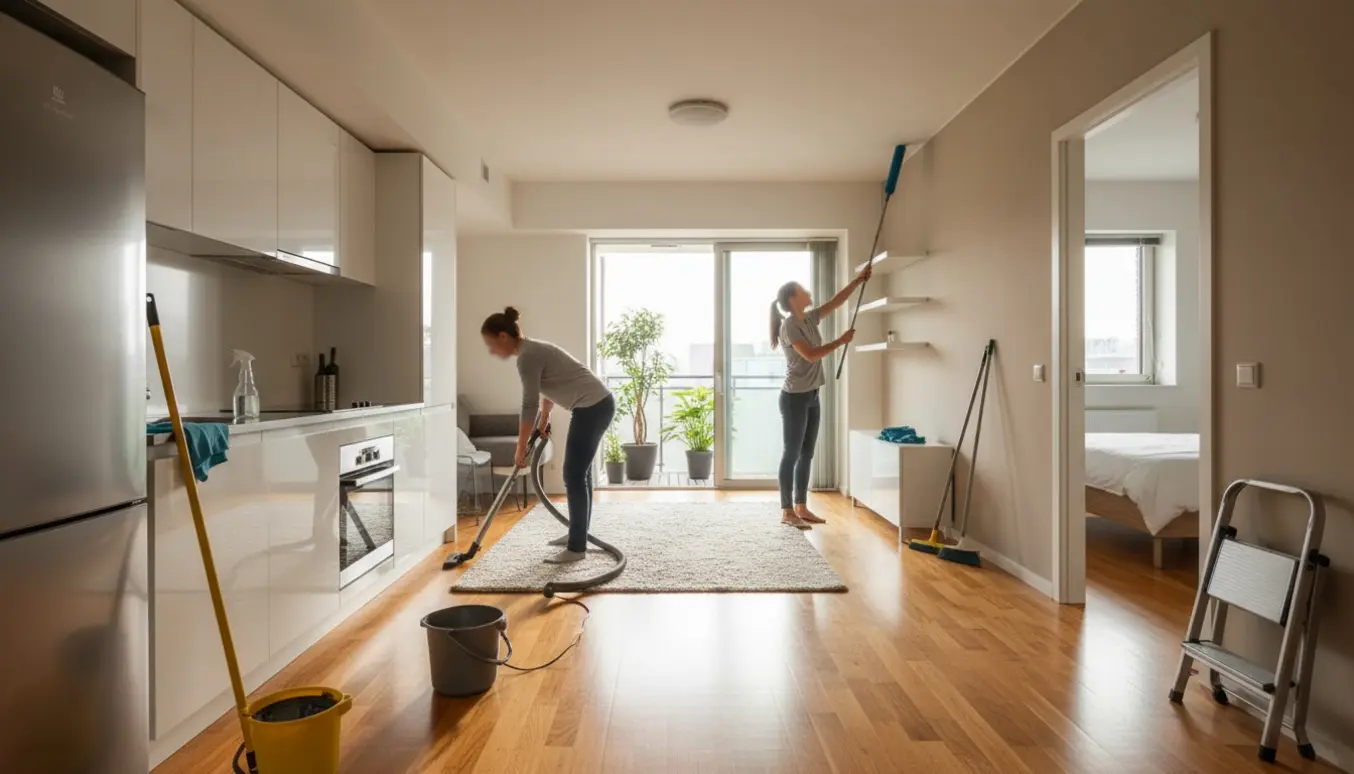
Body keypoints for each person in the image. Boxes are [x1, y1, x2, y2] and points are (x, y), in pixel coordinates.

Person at [481, 306, 616, 563]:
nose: (491, 351)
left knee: (572, 474)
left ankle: (577, 548)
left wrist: (520, 448)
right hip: (595, 404)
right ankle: (578, 535)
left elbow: (528, 404)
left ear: (503, 336)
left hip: (592, 407)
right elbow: (549, 390)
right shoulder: (532, 350)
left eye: (491, 344)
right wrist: (545, 419)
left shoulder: (527, 357)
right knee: (580, 473)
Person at [770, 264, 871, 529]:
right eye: (803, 290)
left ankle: (802, 507)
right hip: (794, 398)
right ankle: (786, 510)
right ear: (793, 299)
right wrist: (840, 341)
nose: (808, 291)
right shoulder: (790, 326)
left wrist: (858, 280)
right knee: (791, 453)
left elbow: (836, 302)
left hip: (813, 395)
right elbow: (811, 355)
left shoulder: (809, 318)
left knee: (807, 453)